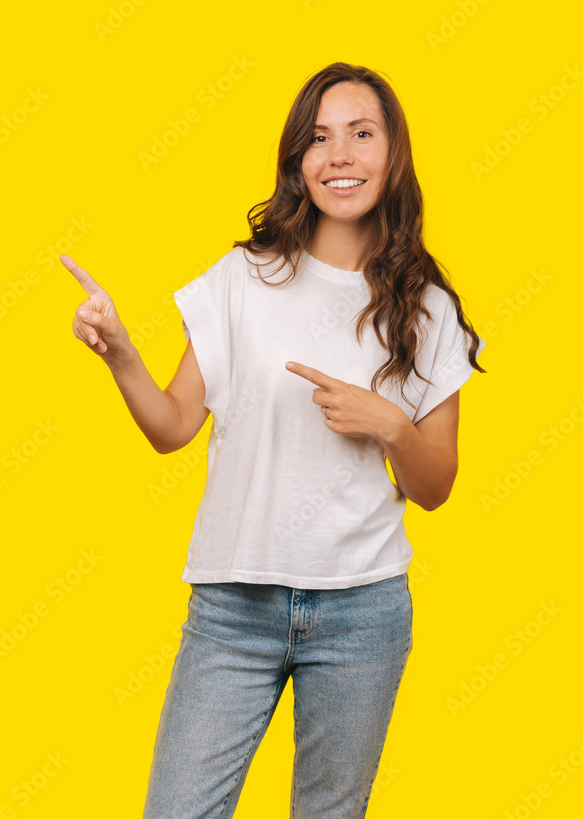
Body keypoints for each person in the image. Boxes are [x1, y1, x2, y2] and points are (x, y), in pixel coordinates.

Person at [60, 62, 487, 818]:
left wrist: (389, 424)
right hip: (233, 606)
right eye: (319, 139)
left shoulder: (426, 309)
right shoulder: (243, 279)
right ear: (298, 162)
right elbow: (172, 428)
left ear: (394, 155)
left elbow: (437, 486)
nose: (340, 156)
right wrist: (121, 352)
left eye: (362, 134)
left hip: (363, 611)